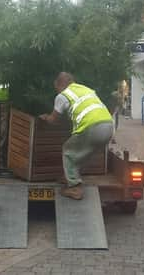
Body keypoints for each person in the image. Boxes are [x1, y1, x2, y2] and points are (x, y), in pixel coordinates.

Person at [39, 72, 114, 200]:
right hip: (108, 126)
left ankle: (74, 187)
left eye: (55, 87)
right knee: (83, 152)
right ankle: (70, 177)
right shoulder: (86, 89)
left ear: (59, 84)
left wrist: (45, 117)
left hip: (91, 127)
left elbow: (54, 119)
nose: (56, 90)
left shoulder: (63, 96)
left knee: (68, 150)